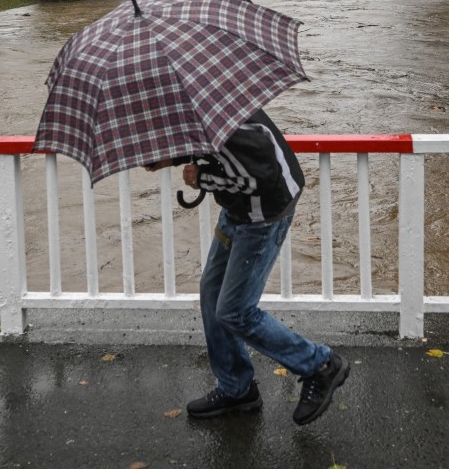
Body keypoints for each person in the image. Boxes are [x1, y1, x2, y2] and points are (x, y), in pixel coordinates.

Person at [146, 108, 349, 426]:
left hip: (263, 217)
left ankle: (320, 365)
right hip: (239, 210)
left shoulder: (232, 124)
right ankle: (236, 388)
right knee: (212, 293)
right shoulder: (208, 99)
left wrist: (200, 178)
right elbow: (212, 146)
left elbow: (259, 176)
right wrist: (171, 158)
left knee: (235, 311)